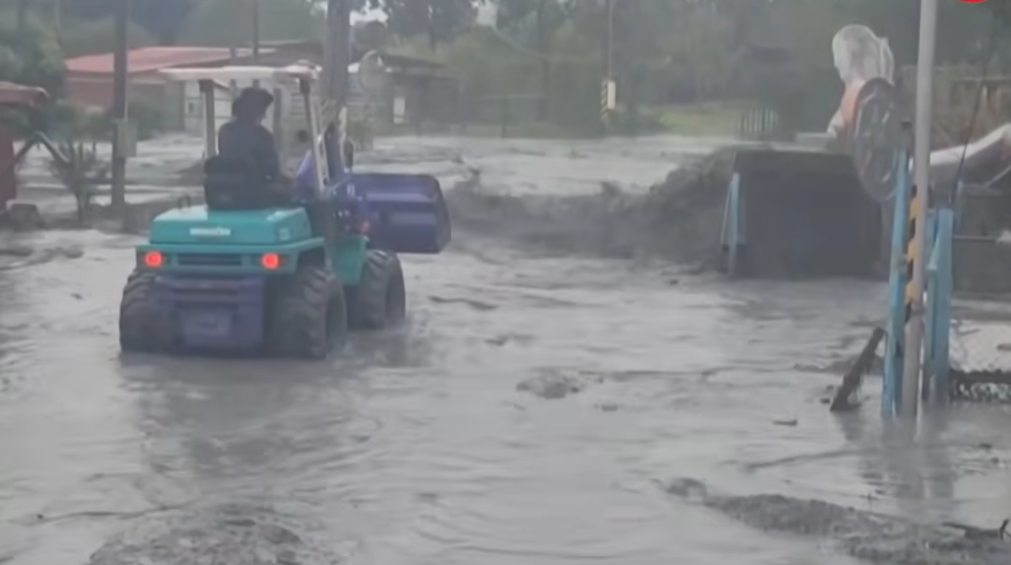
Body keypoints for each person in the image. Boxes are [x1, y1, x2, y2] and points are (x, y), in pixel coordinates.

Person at [217, 87, 290, 191]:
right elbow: (272, 171)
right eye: (262, 111)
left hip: (226, 188)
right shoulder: (262, 136)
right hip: (254, 191)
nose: (264, 116)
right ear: (255, 111)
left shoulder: (225, 131)